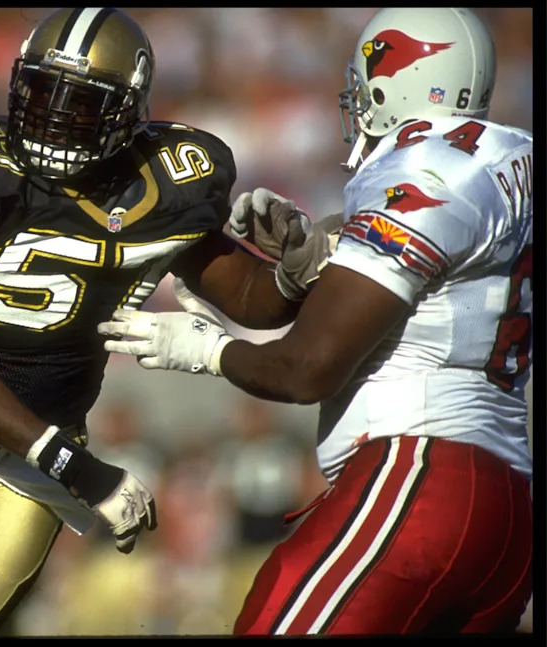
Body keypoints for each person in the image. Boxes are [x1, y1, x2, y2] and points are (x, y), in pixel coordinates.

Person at [0, 7, 337, 637]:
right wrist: (74, 468)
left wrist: (293, 273)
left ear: (126, 113)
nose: (53, 116)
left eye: (79, 104)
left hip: (28, 466)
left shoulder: (167, 184)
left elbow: (249, 299)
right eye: (41, 93)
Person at [99, 7, 532, 635]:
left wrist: (209, 350)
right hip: (508, 508)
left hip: (419, 478)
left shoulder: (424, 166)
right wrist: (320, 258)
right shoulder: (511, 157)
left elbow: (307, 369)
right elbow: (448, 298)